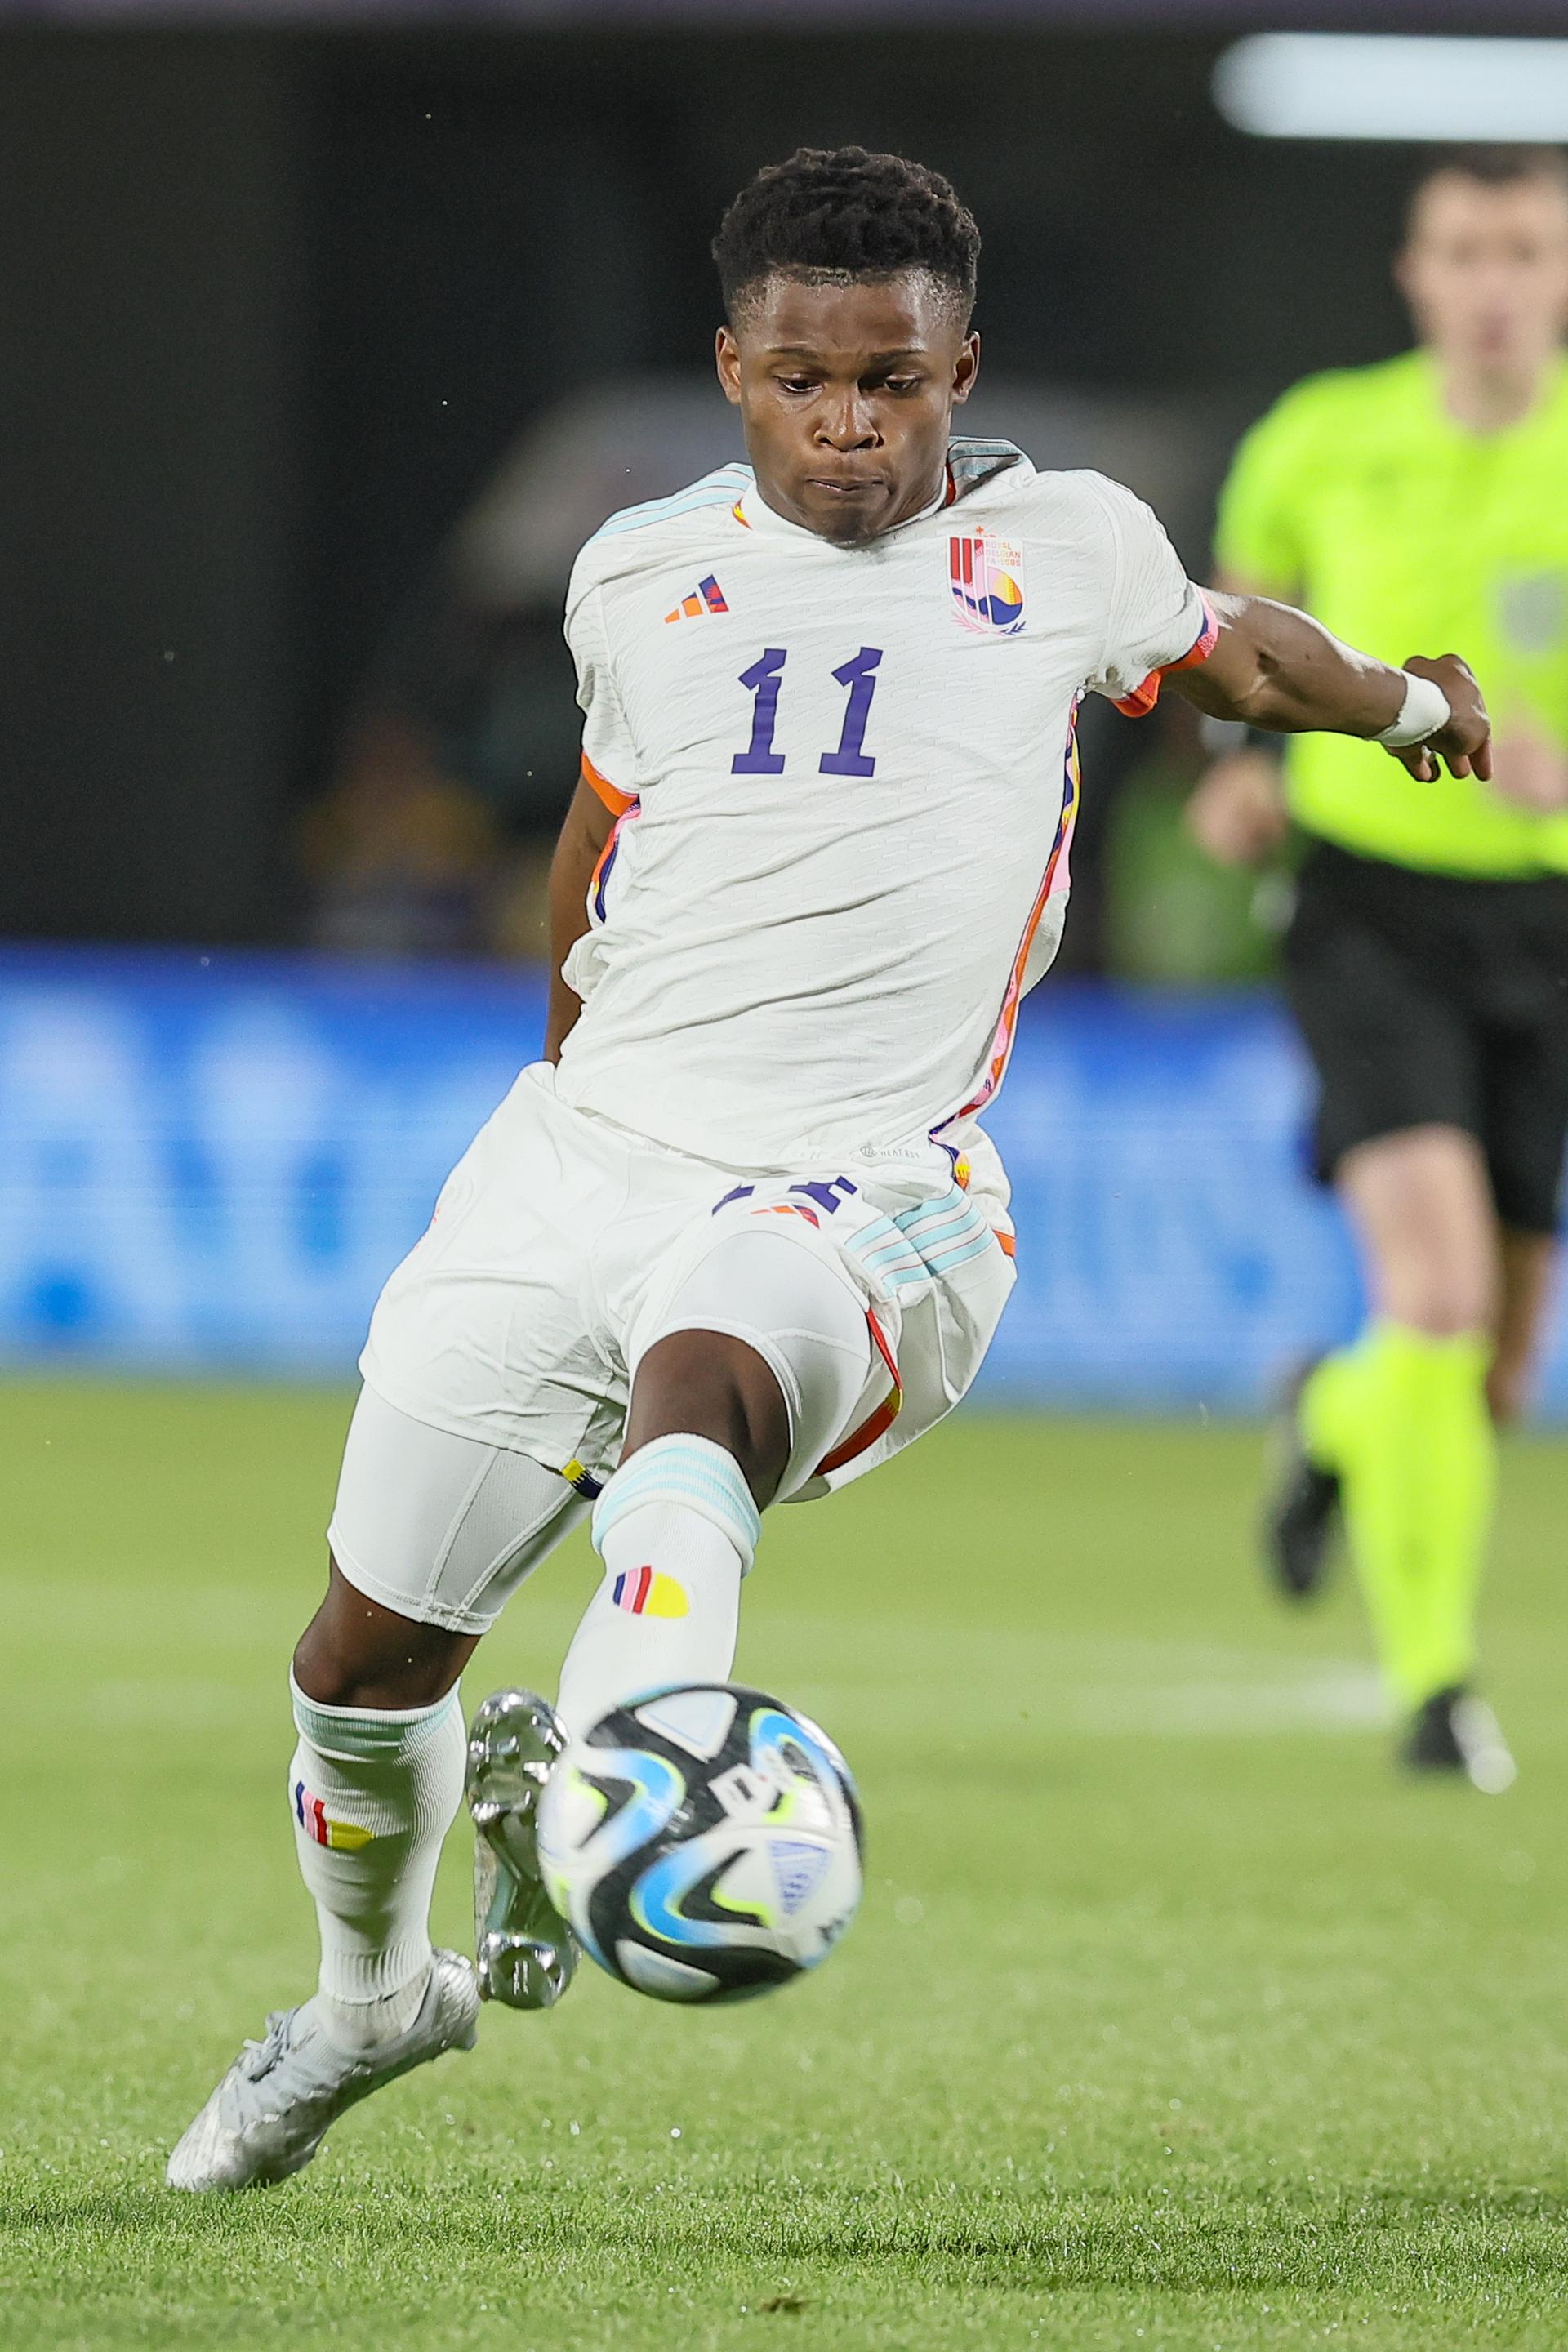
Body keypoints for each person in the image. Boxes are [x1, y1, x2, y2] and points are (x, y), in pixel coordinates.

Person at [167, 145, 1490, 2193]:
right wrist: (563, 1097)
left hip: (878, 1176)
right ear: (732, 368)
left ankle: (635, 1777)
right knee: (361, 1665)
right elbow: (603, 847)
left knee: (711, 1369)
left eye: (894, 380)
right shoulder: (636, 574)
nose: (850, 424)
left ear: (967, 366)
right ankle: (372, 2000)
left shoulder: (1068, 547)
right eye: (803, 382)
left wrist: (1411, 703)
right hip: (586, 1153)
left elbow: (1241, 658)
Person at [1187, 146, 1568, 1791]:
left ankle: (1334, 1426)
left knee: (1484, 1368)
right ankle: (1435, 1692)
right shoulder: (1322, 437)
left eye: (1525, 251)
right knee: (1437, 1290)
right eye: (1465, 250)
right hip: (1368, 906)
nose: (1493, 282)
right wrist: (1241, 762)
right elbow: (1229, 629)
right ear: (1415, 274)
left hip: (1544, 926)